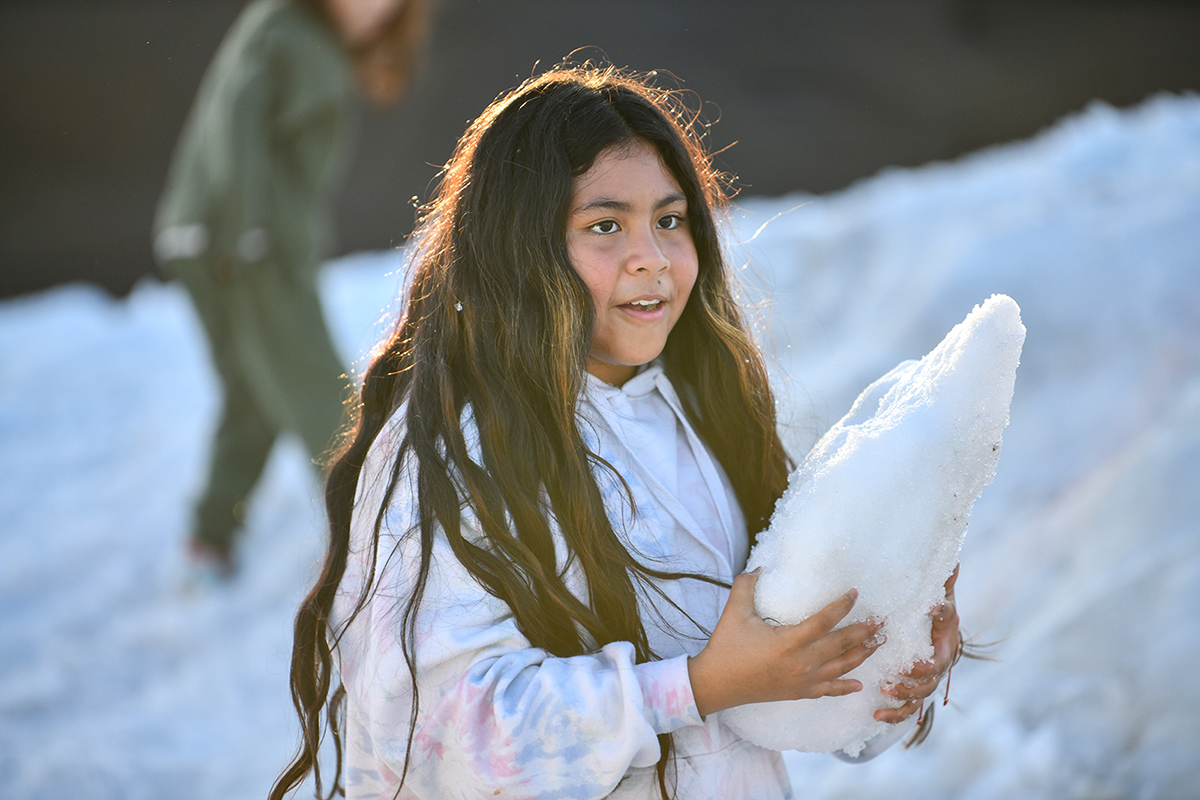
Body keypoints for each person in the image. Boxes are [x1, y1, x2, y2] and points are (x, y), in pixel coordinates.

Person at [271, 64, 962, 800]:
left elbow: (773, 686)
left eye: (670, 220)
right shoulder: (453, 453)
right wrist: (694, 686)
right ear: (517, 247)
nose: (653, 258)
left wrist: (889, 663)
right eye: (606, 225)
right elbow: (449, 738)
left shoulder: (706, 415)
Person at [152, 0, 430, 576]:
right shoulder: (286, 26)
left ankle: (210, 538)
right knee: (317, 389)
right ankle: (376, 542)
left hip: (228, 237)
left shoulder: (314, 40)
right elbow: (239, 114)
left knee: (255, 392)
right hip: (247, 244)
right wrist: (248, 228)